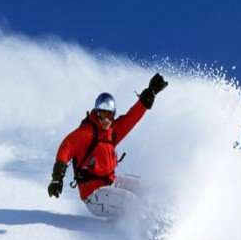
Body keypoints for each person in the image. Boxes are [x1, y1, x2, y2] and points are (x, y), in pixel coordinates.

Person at [48, 73, 168, 217]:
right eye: (102, 114)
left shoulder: (112, 132)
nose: (106, 120)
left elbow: (131, 118)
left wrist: (149, 94)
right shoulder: (86, 132)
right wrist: (57, 177)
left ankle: (162, 215)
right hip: (94, 194)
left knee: (143, 188)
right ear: (96, 113)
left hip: (110, 183)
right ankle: (149, 231)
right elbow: (66, 148)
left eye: (109, 115)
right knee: (132, 202)